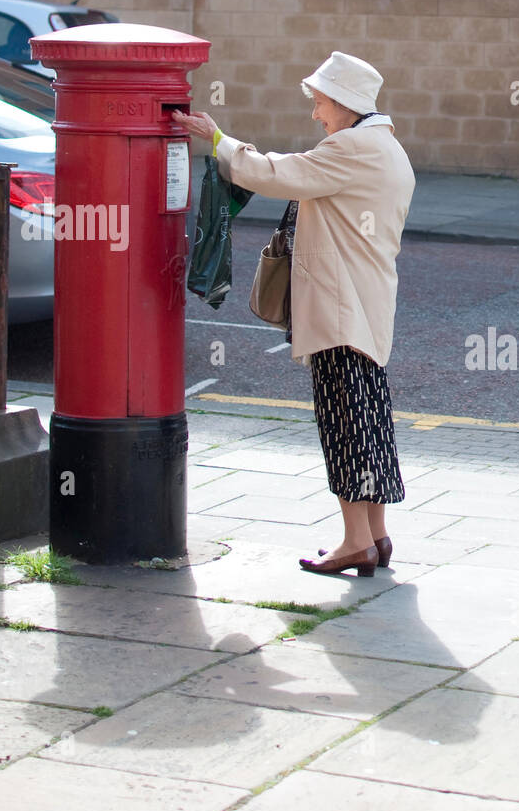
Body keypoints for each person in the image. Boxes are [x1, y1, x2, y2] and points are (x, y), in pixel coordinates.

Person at [173, 51, 415, 577]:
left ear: (347, 104)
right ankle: (375, 535)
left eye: (321, 102)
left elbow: (278, 173)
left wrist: (218, 140)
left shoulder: (352, 148)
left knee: (343, 422)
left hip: (340, 310)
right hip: (367, 309)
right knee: (369, 419)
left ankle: (354, 543)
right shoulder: (387, 148)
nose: (315, 114)